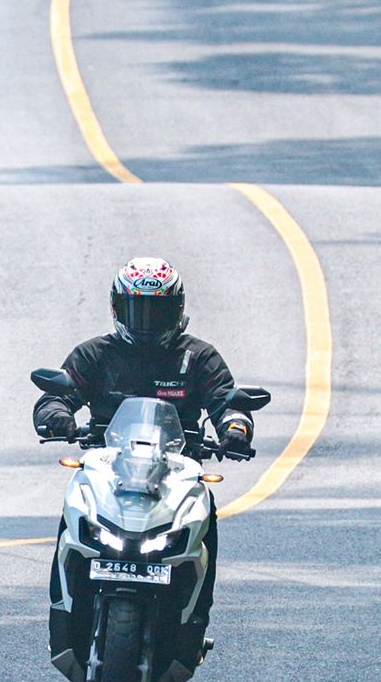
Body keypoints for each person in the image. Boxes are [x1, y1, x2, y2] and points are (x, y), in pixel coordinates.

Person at [35, 256, 254, 640]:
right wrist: (57, 415)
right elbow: (57, 393)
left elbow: (227, 401)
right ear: (117, 307)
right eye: (138, 309)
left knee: (205, 519)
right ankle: (66, 611)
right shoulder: (95, 354)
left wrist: (235, 427)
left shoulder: (198, 356)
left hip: (177, 472)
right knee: (73, 509)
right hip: (107, 468)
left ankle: (192, 626)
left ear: (177, 309)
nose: (147, 321)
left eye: (158, 311)